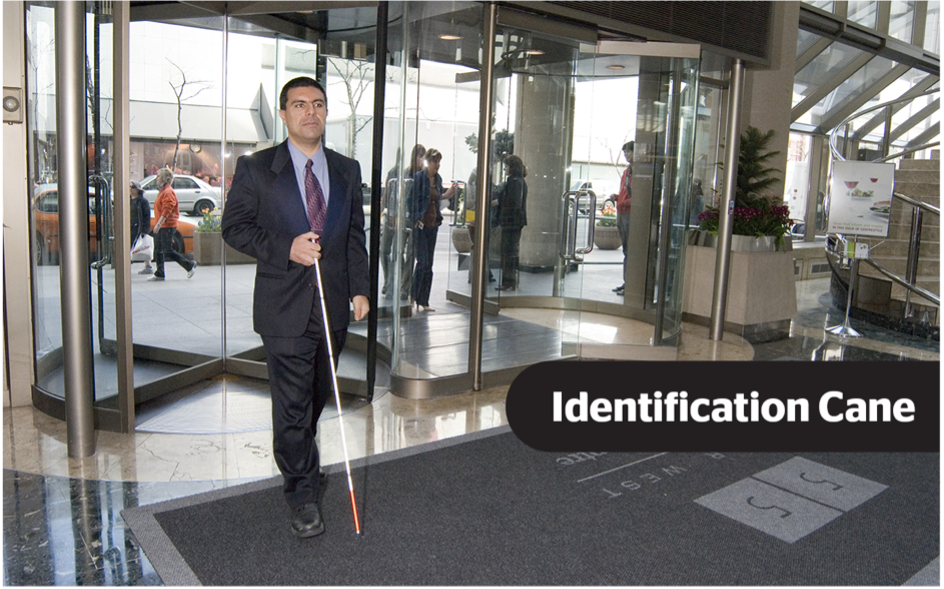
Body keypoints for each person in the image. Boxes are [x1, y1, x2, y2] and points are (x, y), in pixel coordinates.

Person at [221, 77, 369, 539]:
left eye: (319, 104)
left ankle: (300, 455)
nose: (311, 112)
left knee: (313, 398)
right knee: (289, 404)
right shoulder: (257, 168)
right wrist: (286, 247)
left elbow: (356, 237)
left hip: (334, 307)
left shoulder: (347, 169)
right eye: (300, 105)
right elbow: (234, 228)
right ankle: (302, 493)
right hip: (283, 307)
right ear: (284, 114)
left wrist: (361, 289)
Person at [410, 148, 455, 312]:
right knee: (422, 262)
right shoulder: (420, 178)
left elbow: (436, 198)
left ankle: (424, 300)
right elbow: (412, 199)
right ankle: (413, 295)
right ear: (428, 162)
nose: (437, 165)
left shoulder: (438, 179)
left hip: (433, 225)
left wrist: (447, 195)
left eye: (438, 162)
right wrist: (415, 218)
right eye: (434, 161)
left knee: (429, 264)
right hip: (421, 225)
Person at [380, 144, 425, 300]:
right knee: (386, 251)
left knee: (408, 253)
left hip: (410, 219)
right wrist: (385, 213)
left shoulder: (421, 176)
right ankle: (389, 282)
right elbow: (389, 195)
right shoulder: (397, 173)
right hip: (394, 217)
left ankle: (404, 287)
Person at [150, 168, 196, 281]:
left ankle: (189, 265)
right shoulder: (163, 191)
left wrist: (159, 224)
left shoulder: (167, 192)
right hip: (164, 225)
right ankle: (159, 273)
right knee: (158, 249)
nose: (157, 178)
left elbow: (167, 210)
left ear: (165, 179)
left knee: (166, 250)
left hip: (167, 226)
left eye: (159, 176)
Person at [496, 155, 528, 291]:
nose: (505, 169)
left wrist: (499, 201)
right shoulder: (521, 181)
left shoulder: (513, 181)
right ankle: (511, 281)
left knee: (507, 251)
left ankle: (507, 281)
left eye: (506, 166)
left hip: (511, 221)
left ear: (512, 167)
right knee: (512, 251)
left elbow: (512, 201)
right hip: (517, 221)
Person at [613, 141, 633, 295]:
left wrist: (624, 201)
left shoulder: (638, 172)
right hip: (622, 212)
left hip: (630, 213)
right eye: (625, 153)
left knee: (631, 250)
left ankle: (631, 283)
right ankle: (627, 281)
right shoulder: (627, 172)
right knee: (626, 250)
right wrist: (618, 198)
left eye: (629, 152)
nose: (627, 156)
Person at [129, 180, 154, 275]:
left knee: (142, 246)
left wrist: (145, 230)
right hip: (130, 226)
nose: (131, 189)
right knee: (130, 246)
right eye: (130, 187)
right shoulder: (129, 200)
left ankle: (148, 266)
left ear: (138, 189)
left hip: (138, 226)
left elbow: (147, 216)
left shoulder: (142, 201)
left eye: (133, 187)